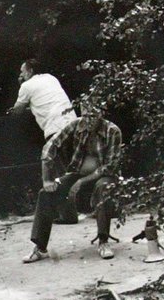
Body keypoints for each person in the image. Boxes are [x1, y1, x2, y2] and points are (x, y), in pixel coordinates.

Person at [22, 111, 123, 263]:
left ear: (101, 114)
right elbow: (50, 146)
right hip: (78, 173)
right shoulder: (76, 125)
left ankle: (103, 241)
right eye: (86, 115)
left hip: (104, 176)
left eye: (94, 116)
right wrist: (47, 179)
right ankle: (40, 248)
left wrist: (82, 182)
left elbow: (109, 167)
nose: (89, 120)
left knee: (104, 188)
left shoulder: (112, 130)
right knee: (46, 193)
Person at [11, 59, 77, 140]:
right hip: (74, 123)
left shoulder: (26, 85)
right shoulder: (51, 78)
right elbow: (46, 102)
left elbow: (17, 111)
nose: (21, 75)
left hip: (55, 128)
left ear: (30, 71)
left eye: (22, 71)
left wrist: (21, 85)